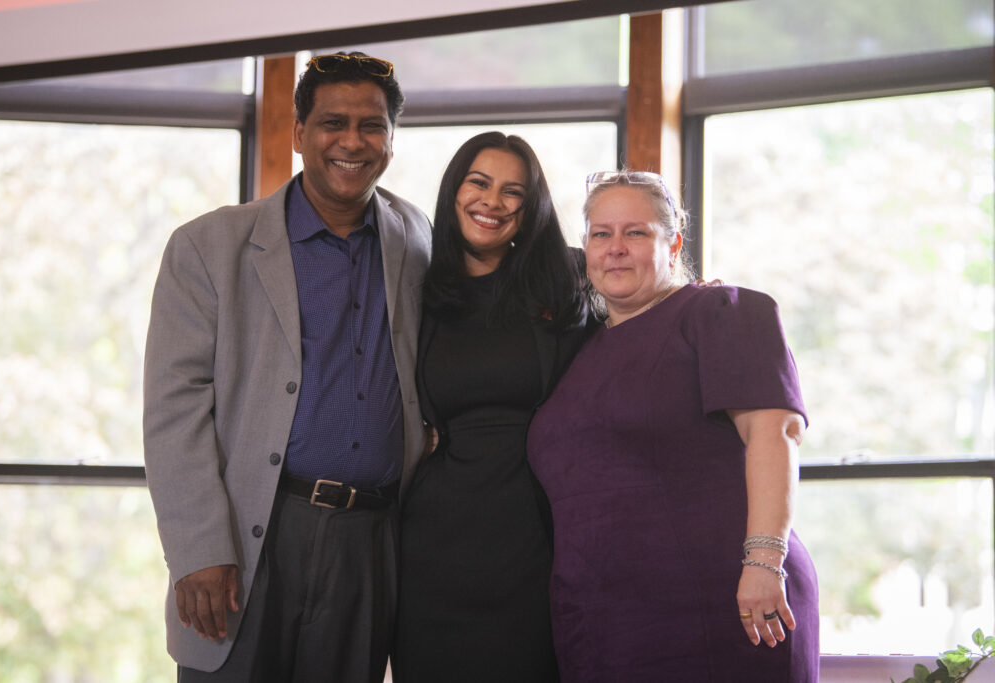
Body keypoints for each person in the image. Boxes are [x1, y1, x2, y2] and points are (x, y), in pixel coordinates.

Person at [142, 52, 431, 682]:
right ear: (298, 133)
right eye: (333, 122)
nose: (352, 142)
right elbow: (175, 408)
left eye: (372, 126)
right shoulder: (209, 246)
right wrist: (198, 550)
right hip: (253, 538)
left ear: (392, 139)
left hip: (371, 543)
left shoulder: (416, 238)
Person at [526, 170, 820, 682]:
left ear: (673, 243)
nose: (615, 248)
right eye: (601, 234)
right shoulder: (579, 350)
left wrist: (763, 563)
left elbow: (774, 432)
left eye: (635, 233)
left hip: (726, 606)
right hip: (605, 624)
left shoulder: (721, 311)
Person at [392, 132, 591, 682]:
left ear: (530, 211)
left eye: (513, 192)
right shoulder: (420, 290)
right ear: (454, 191)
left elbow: (642, 305)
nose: (492, 201)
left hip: (537, 536)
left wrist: (690, 295)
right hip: (435, 541)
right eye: (478, 183)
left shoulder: (570, 280)